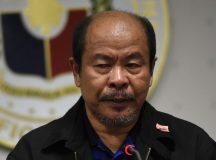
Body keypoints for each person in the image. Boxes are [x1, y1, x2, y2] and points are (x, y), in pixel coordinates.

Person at [7, 10, 216, 160]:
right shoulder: (34, 152)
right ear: (77, 71)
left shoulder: (193, 147)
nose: (118, 79)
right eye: (103, 65)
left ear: (151, 70)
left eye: (132, 65)